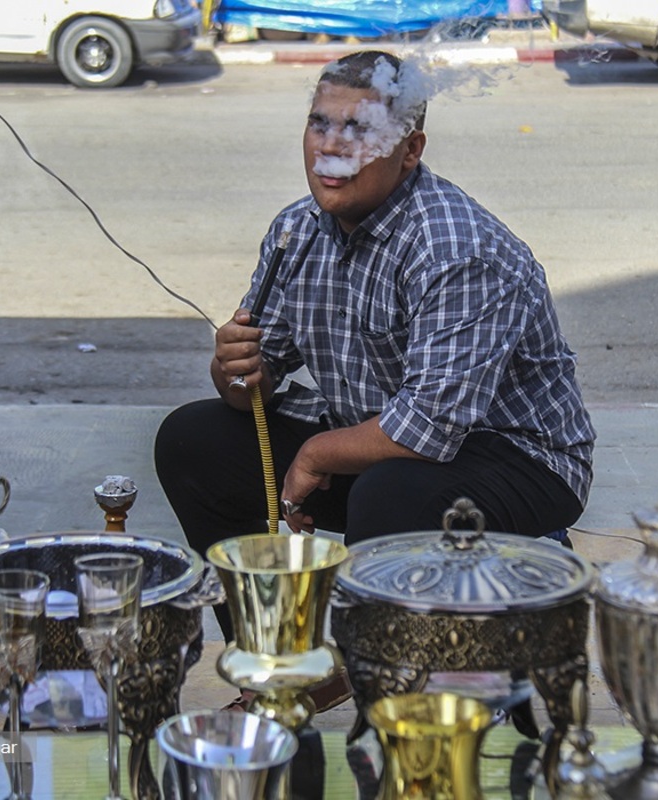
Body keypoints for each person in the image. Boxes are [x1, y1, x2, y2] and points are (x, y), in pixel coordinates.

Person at [155, 50, 595, 638]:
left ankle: (379, 678)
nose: (330, 147)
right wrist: (234, 370)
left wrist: (315, 456)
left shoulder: (454, 248)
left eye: (359, 129)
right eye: (320, 123)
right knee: (193, 440)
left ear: (410, 150)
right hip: (374, 438)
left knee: (389, 495)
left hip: (514, 456)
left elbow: (430, 428)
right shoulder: (295, 230)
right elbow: (255, 390)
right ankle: (273, 656)